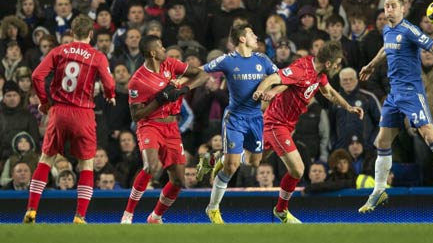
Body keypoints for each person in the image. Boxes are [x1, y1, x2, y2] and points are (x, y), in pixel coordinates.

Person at [357, 0, 433, 213]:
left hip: (412, 93)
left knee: (428, 134)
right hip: (394, 95)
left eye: (393, 6)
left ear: (403, 9)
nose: (388, 10)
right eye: (386, 7)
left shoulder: (411, 30)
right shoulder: (387, 30)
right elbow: (386, 48)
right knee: (382, 142)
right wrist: (371, 65)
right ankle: (379, 189)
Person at [252, 40, 363, 223]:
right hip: (275, 123)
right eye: (336, 64)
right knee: (298, 169)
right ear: (328, 64)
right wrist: (260, 92)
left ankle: (218, 159)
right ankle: (281, 210)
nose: (337, 67)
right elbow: (272, 79)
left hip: (287, 125)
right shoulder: (301, 69)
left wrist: (348, 107)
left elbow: (328, 92)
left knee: (253, 159)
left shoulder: (320, 73)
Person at [24, 14, 116, 224]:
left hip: (59, 112)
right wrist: (110, 96)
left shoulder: (59, 51)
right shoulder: (97, 56)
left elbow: (37, 76)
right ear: (91, 34)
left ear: (72, 33)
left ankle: (31, 210)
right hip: (83, 113)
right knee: (86, 164)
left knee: (46, 159)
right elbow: (109, 84)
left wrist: (44, 102)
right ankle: (79, 216)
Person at [120, 35, 207, 224]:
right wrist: (160, 99)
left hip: (171, 126)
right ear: (152, 53)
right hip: (150, 124)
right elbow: (136, 115)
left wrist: (184, 89)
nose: (163, 48)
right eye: (160, 46)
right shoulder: (137, 81)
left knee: (178, 181)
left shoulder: (170, 64)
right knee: (151, 166)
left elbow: (202, 74)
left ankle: (155, 216)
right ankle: (128, 214)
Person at [196, 23, 277, 224]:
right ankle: (213, 208)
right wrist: (179, 81)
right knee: (232, 167)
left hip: (256, 118)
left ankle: (216, 159)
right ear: (242, 39)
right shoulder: (228, 60)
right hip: (235, 118)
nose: (256, 36)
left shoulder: (263, 60)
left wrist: (272, 90)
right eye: (252, 33)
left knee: (254, 162)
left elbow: (281, 77)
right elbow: (200, 71)